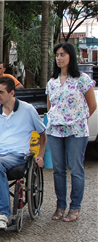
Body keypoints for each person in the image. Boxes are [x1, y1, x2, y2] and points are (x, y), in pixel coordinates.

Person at [0, 77, 46, 232]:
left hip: (17, 153)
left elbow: (42, 134)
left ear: (12, 93)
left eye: (1, 92)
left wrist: (40, 155)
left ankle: (2, 214)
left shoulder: (27, 110)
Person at [47, 42, 97, 222]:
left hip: (76, 131)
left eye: (63, 54)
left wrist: (77, 119)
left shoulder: (82, 79)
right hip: (55, 131)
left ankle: (75, 207)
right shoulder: (51, 82)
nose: (59, 58)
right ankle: (60, 205)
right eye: (57, 55)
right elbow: (50, 107)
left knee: (76, 169)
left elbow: (92, 105)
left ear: (71, 56)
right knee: (58, 170)